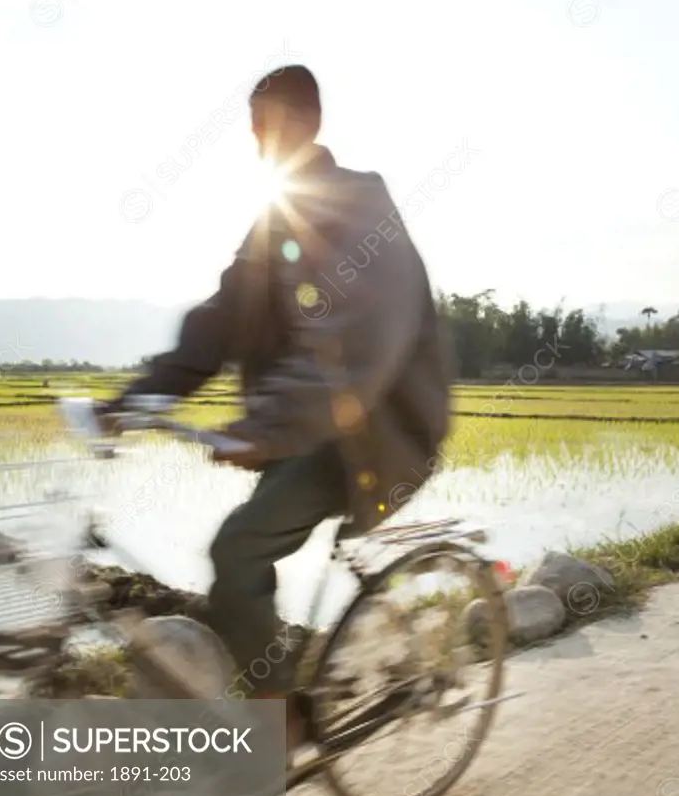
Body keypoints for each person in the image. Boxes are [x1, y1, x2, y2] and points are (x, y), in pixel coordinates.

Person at [97, 64, 449, 760]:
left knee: (236, 548)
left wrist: (265, 428)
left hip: (375, 434)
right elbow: (219, 320)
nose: (262, 138)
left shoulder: (359, 207)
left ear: (310, 123)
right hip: (308, 433)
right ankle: (295, 681)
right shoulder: (272, 225)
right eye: (255, 125)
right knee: (247, 566)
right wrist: (133, 402)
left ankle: (278, 721)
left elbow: (350, 344)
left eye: (274, 122)